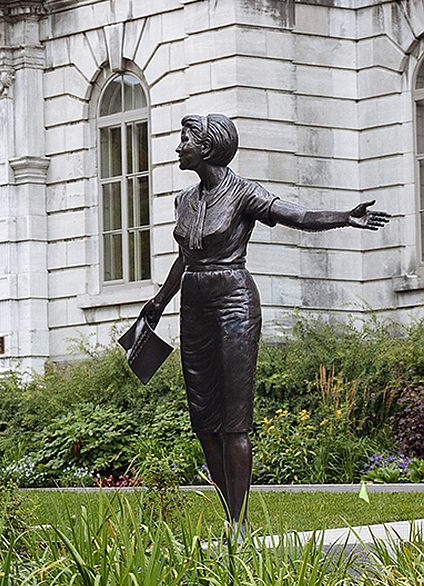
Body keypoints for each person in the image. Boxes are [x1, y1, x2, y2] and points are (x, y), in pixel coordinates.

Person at [140, 114, 391, 529]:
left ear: (207, 147)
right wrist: (160, 300)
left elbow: (298, 215)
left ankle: (238, 524)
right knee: (203, 421)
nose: (178, 146)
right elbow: (186, 257)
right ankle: (229, 513)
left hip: (234, 303)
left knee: (234, 419)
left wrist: (345, 217)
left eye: (185, 139)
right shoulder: (184, 200)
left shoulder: (243, 193)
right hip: (195, 304)